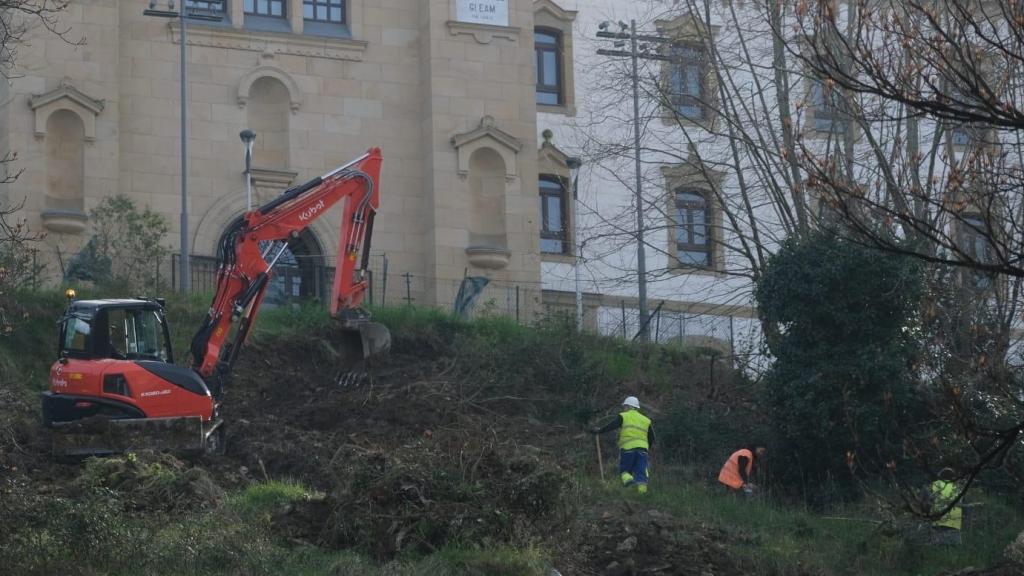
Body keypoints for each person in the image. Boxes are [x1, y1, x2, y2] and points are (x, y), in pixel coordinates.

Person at [591, 396, 655, 494]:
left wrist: (599, 431)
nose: (624, 409)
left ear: (628, 406)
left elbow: (612, 426)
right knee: (641, 472)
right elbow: (652, 437)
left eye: (624, 406)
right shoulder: (646, 420)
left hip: (628, 448)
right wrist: (646, 448)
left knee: (625, 470)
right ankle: (641, 494)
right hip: (643, 450)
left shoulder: (624, 416)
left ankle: (629, 481)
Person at [928, 468, 963, 546]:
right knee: (953, 548)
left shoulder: (935, 484)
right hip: (954, 522)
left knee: (937, 547)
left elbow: (929, 501)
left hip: (938, 520)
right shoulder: (958, 487)